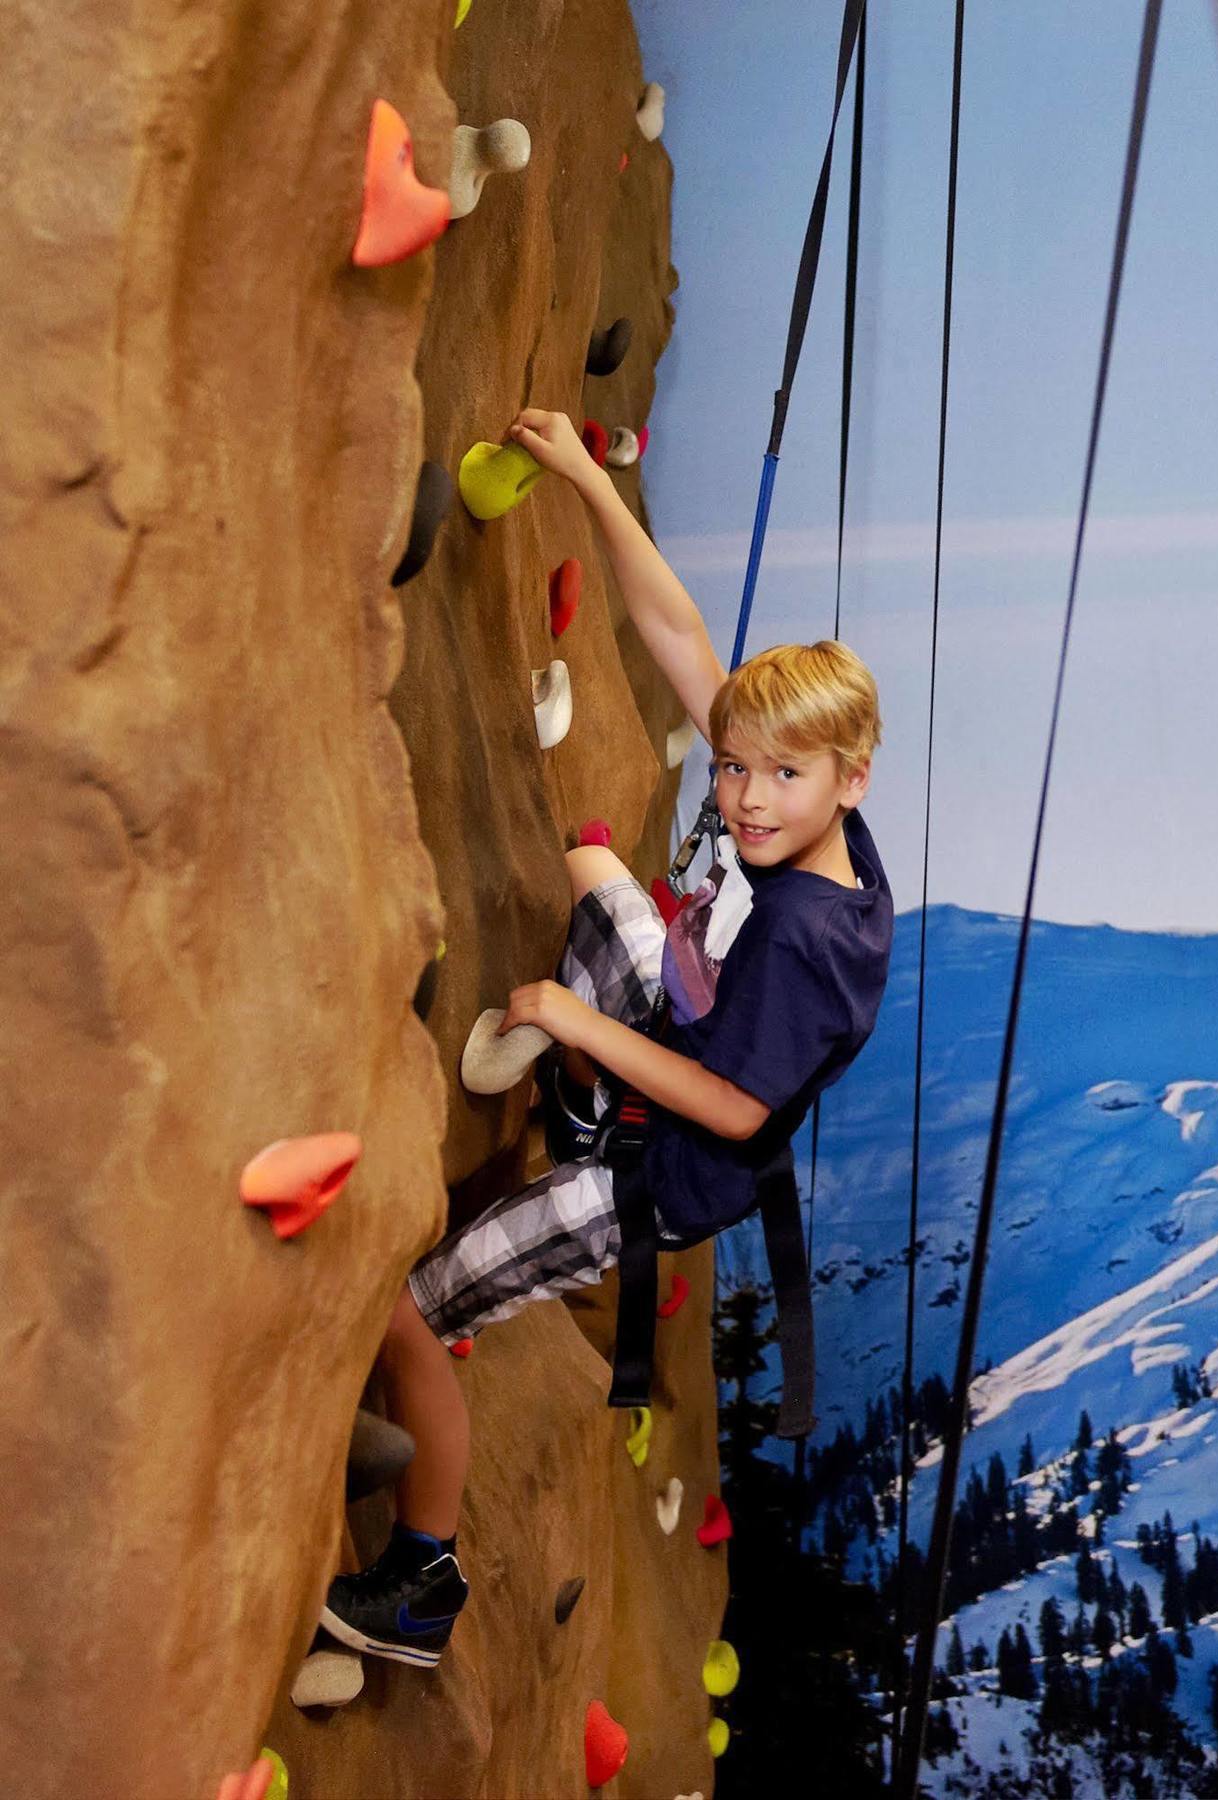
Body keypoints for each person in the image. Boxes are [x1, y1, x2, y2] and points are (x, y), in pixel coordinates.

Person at [318, 409, 893, 1669]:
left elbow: (735, 1110)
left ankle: (421, 1581)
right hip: (678, 1048)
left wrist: (572, 1021)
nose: (742, 799)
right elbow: (679, 633)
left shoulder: (805, 938)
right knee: (597, 873)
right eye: (734, 769)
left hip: (655, 1178)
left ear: (848, 777)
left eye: (778, 779)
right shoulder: (823, 844)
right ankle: (577, 1096)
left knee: (402, 1313)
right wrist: (585, 478)